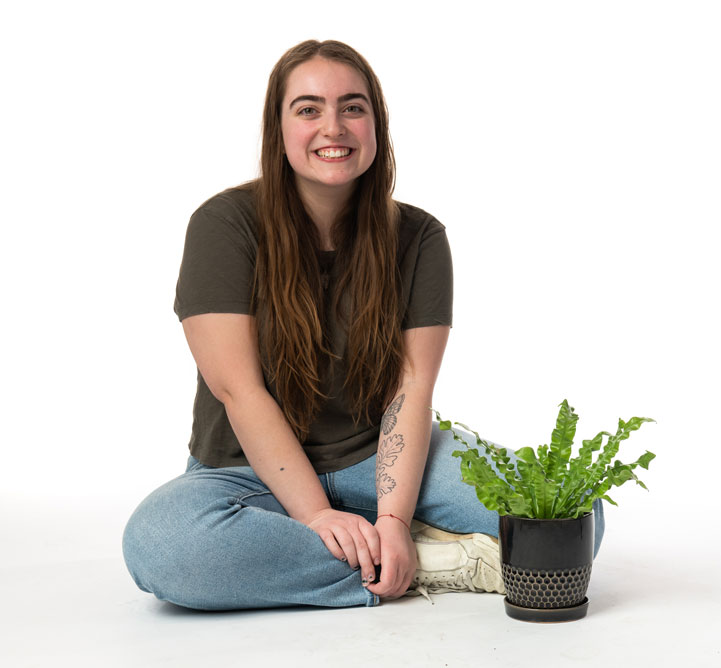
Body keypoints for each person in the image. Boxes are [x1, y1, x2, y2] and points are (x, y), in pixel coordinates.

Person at [122, 39, 604, 611]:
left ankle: (376, 540)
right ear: (278, 128)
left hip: (384, 460)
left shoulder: (420, 237)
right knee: (162, 546)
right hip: (246, 473)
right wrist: (318, 516)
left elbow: (412, 386)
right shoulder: (224, 225)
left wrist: (395, 515)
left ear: (377, 124)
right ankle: (432, 564)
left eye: (353, 107)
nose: (333, 127)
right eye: (308, 109)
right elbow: (238, 390)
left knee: (569, 510)